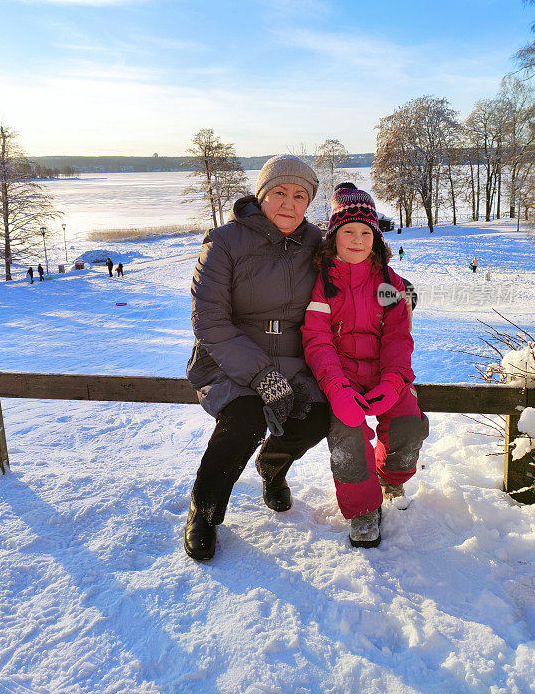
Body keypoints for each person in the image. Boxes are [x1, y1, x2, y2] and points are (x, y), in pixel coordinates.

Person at [184, 154, 331, 561]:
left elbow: (362, 272)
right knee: (245, 417)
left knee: (319, 414)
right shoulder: (225, 241)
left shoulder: (318, 244)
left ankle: (273, 466)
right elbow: (210, 321)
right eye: (280, 193)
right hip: (229, 357)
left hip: (295, 359)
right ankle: (205, 512)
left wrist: (394, 292)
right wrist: (262, 376)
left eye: (300, 196)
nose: (289, 204)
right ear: (261, 195)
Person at [302, 183, 429, 549]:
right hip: (342, 379)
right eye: (348, 232)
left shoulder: (390, 284)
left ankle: (391, 476)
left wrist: (393, 381)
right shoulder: (323, 284)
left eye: (365, 232)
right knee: (348, 437)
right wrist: (336, 388)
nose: (357, 240)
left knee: (406, 425)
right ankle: (361, 511)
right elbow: (317, 339)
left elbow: (397, 338)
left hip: (385, 376)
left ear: (375, 236)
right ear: (333, 236)